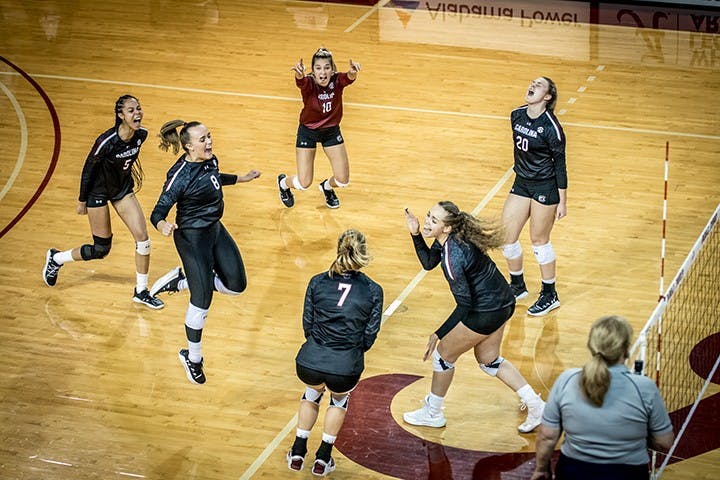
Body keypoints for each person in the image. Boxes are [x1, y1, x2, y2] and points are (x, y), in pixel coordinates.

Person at [403, 201, 545, 433]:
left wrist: (438, 334)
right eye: (428, 216)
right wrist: (416, 233)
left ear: (447, 228)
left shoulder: (453, 257)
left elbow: (465, 305)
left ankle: (433, 413)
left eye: (433, 220)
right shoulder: (450, 240)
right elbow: (429, 263)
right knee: (489, 361)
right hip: (504, 301)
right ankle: (536, 406)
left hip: (486, 309)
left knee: (442, 357)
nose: (428, 221)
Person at [149, 120, 261, 385]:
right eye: (202, 140)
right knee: (202, 301)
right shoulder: (179, 175)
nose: (209, 142)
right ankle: (193, 358)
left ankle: (182, 281)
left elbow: (214, 180)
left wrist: (241, 178)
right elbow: (158, 210)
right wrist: (162, 224)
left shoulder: (211, 160)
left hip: (214, 229)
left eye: (209, 136)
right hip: (191, 238)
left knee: (236, 286)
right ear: (188, 146)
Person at [42, 94, 164, 309]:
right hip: (97, 194)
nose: (137, 113)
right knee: (101, 249)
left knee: (143, 239)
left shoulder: (141, 135)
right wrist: (82, 200)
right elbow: (89, 170)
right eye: (131, 110)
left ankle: (141, 290)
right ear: (120, 115)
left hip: (121, 191)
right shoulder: (106, 141)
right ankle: (57, 259)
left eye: (139, 108)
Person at [287, 229, 383, 476]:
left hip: (309, 362)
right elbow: (370, 335)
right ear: (363, 254)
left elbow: (307, 325)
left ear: (338, 249)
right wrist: (349, 350)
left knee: (312, 393)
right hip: (345, 367)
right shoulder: (373, 290)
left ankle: (297, 453)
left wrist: (320, 346)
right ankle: (322, 459)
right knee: (339, 399)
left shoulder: (317, 281)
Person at [531, 315, 674, 480]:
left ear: (591, 346)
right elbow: (664, 442)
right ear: (626, 349)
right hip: (627, 473)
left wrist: (541, 470)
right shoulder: (644, 387)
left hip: (574, 471)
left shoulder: (567, 380)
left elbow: (547, 436)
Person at [501, 77, 567, 316]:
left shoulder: (551, 127)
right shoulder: (516, 115)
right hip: (522, 182)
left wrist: (562, 201)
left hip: (545, 186)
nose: (531, 86)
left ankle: (550, 295)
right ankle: (517, 286)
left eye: (538, 85)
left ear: (547, 97)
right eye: (531, 82)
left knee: (539, 241)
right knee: (507, 236)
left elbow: (560, 165)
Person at [277, 47, 361, 209]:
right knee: (304, 183)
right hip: (308, 132)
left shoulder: (337, 81)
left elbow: (349, 78)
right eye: (318, 68)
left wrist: (353, 72)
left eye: (326, 68)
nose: (322, 72)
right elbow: (300, 80)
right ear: (313, 71)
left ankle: (326, 187)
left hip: (331, 132)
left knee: (343, 180)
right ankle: (283, 183)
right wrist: (299, 73)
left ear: (332, 70)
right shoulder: (308, 83)